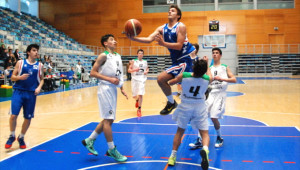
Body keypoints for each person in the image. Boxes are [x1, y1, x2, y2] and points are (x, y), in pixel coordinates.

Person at [127, 4, 196, 115]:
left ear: (178, 15)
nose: (169, 12)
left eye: (173, 11)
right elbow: (149, 39)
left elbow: (179, 45)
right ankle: (172, 102)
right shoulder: (161, 28)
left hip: (186, 58)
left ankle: (205, 88)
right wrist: (133, 38)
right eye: (169, 10)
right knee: (162, 80)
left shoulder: (180, 26)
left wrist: (163, 43)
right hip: (177, 60)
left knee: (169, 80)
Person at [81, 34, 128, 162]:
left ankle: (89, 140)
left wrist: (122, 87)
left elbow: (119, 73)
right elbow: (92, 73)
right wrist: (109, 79)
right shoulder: (103, 56)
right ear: (105, 43)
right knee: (108, 120)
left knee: (109, 119)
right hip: (105, 89)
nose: (115, 41)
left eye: (114, 39)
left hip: (113, 89)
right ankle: (112, 149)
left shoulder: (117, 56)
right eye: (112, 40)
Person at [167, 59, 212, 170]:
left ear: (193, 67)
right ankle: (205, 149)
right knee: (204, 133)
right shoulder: (206, 79)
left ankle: (172, 156)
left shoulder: (185, 75)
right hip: (199, 106)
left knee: (180, 131)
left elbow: (171, 82)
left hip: (185, 105)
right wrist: (207, 65)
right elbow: (211, 76)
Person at [189, 48, 237, 149]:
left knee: (214, 117)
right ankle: (199, 139)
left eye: (217, 53)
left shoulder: (225, 67)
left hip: (220, 95)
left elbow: (234, 79)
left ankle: (219, 137)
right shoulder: (209, 68)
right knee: (201, 116)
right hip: (210, 94)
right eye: (213, 53)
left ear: (220, 55)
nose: (215, 54)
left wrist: (222, 78)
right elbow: (205, 80)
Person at [4, 44, 44, 149]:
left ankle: (21, 137)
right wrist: (19, 77)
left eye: (37, 51)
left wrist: (39, 87)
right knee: (13, 115)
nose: (36, 52)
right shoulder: (20, 63)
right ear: (28, 52)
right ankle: (12, 135)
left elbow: (42, 79)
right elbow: (12, 77)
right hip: (18, 92)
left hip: (31, 94)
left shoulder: (39, 65)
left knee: (28, 118)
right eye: (34, 50)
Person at [128, 49, 149, 117]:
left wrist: (147, 71)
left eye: (142, 53)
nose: (141, 54)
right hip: (134, 79)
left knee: (140, 94)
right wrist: (134, 69)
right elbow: (129, 70)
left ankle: (139, 109)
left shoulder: (145, 62)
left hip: (142, 79)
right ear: (137, 54)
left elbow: (147, 68)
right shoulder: (133, 61)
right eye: (139, 53)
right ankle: (137, 100)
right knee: (134, 95)